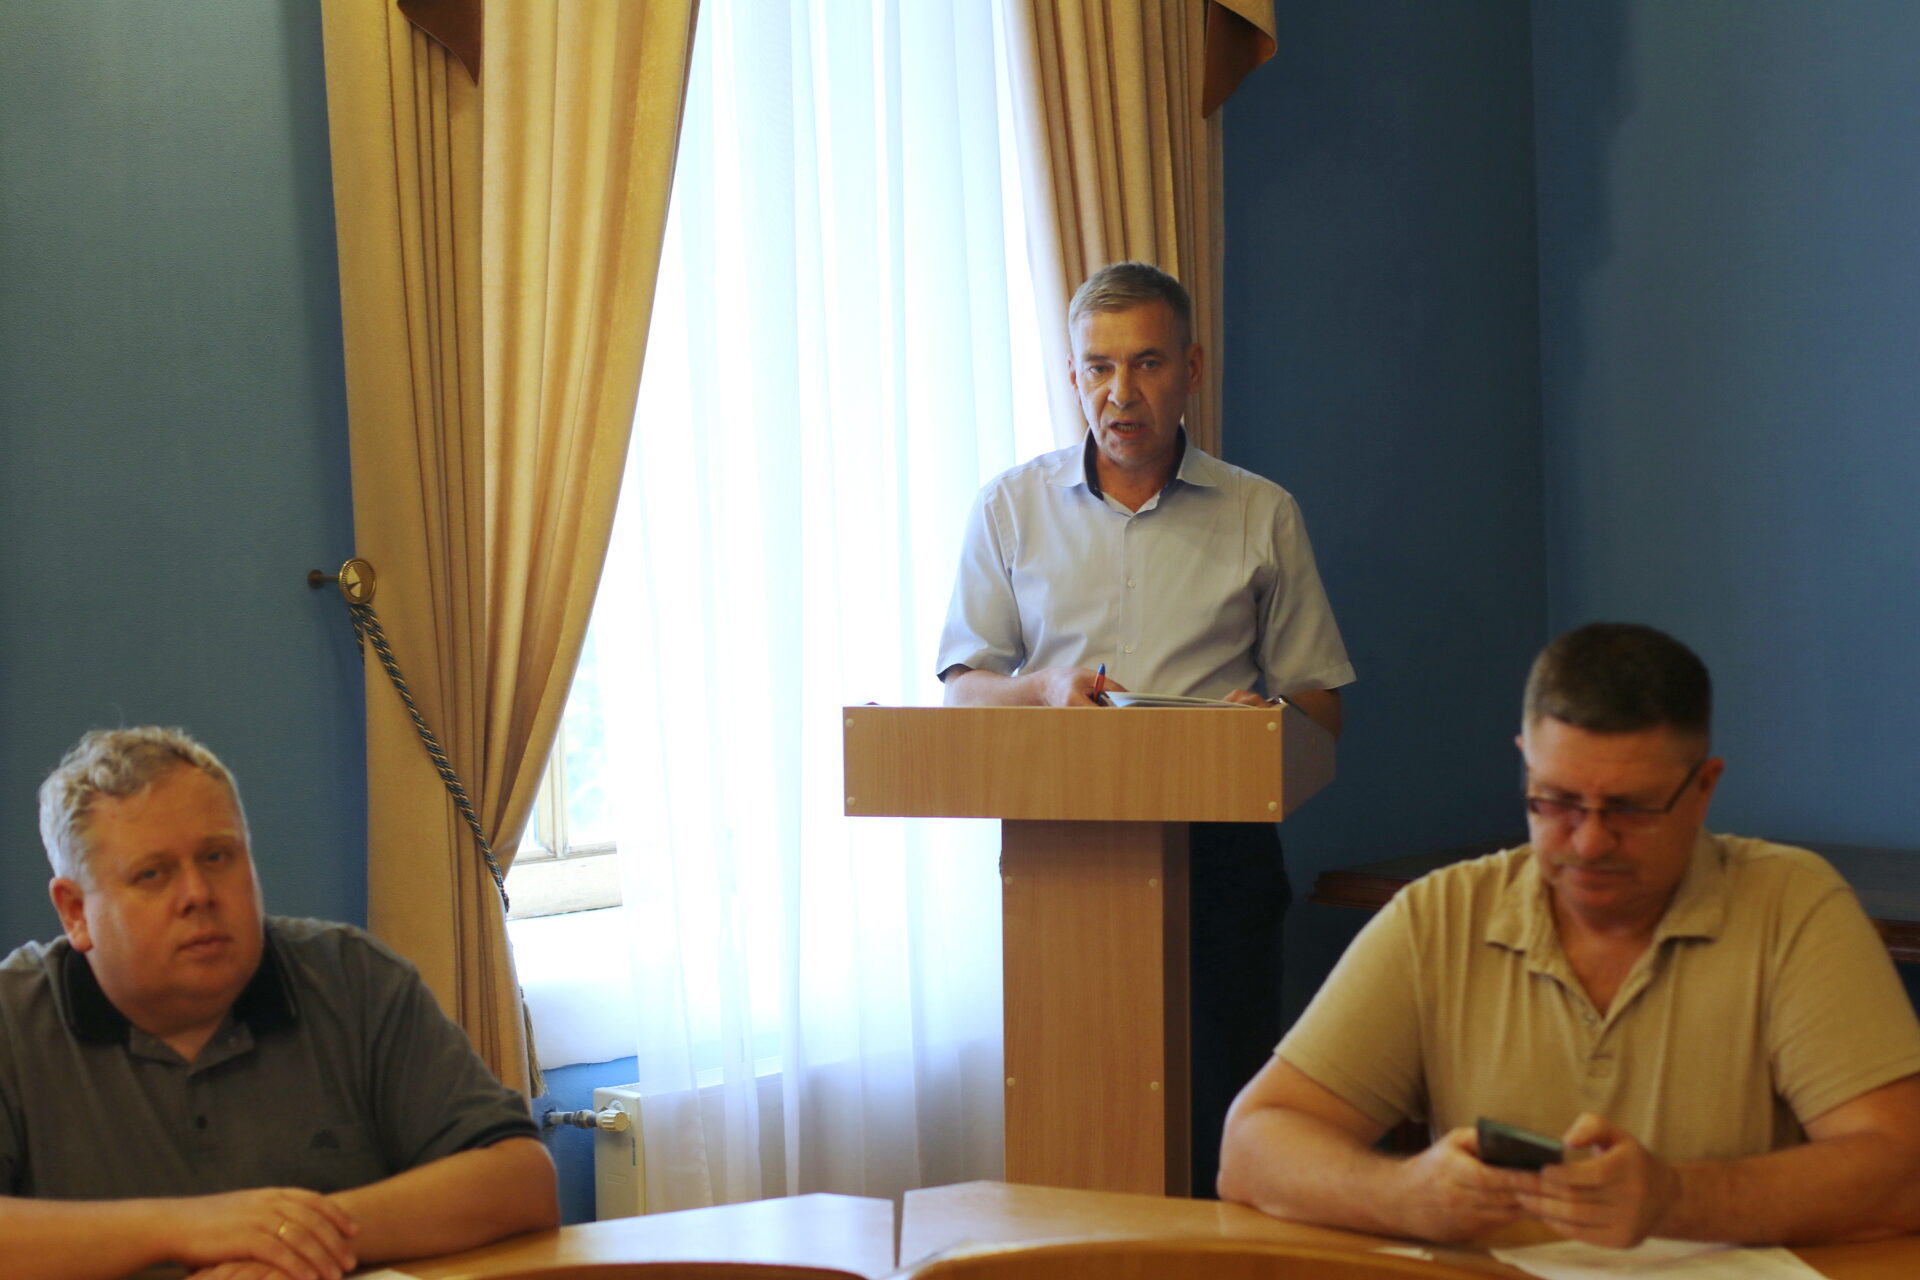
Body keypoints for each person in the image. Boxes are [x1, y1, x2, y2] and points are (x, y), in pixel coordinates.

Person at [1219, 623, 1920, 1245]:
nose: (1589, 842)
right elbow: (1251, 1149)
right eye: (1555, 801)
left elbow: (1904, 1169)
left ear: (1704, 788)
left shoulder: (1791, 907)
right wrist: (1407, 1195)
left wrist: (1679, 1199)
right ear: (1526, 763)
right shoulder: (1439, 916)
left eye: (1632, 808)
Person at [936, 261, 1355, 1196]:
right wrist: (1044, 690)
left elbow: (1321, 704)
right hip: (1064, 855)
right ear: (1073, 375)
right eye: (1098, 367)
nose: (1120, 393)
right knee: (1078, 1122)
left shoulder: (1261, 512)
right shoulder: (1010, 507)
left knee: (1220, 1118)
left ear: (1191, 369)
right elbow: (965, 690)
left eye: (1148, 364)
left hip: (1222, 854)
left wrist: (1270, 724)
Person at [0, 727, 559, 1280]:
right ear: (75, 912)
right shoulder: (12, 1017)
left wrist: (285, 1240)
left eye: (217, 856)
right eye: (153, 874)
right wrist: (185, 1228)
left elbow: (521, 1182)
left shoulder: (353, 978)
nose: (198, 894)